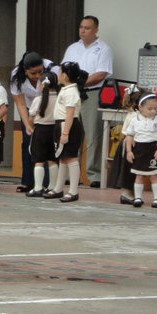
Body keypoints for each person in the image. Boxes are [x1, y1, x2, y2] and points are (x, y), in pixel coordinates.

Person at [62, 16, 113, 188]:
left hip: (91, 94)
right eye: (81, 27)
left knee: (93, 135)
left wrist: (80, 83)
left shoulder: (103, 49)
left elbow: (101, 73)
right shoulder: (72, 48)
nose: (83, 31)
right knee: (71, 132)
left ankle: (94, 175)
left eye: (88, 28)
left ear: (96, 29)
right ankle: (70, 173)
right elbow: (63, 70)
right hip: (71, 94)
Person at [44, 62, 89, 203]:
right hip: (61, 124)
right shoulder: (65, 89)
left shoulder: (71, 92)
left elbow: (70, 114)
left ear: (64, 75)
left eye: (59, 73)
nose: (58, 75)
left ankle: (74, 191)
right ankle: (58, 188)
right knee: (63, 157)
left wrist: (65, 133)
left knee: (71, 157)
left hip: (67, 125)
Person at [10, 53, 56, 192]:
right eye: (33, 73)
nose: (37, 76)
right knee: (28, 143)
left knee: (48, 148)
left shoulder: (53, 69)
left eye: (40, 72)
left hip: (50, 110)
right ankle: (28, 182)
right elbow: (20, 103)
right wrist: (27, 124)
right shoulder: (15, 76)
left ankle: (48, 184)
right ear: (25, 71)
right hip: (30, 110)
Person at [125, 92, 157, 208]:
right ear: (140, 107)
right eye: (150, 108)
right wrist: (129, 151)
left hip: (152, 149)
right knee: (139, 175)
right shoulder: (134, 120)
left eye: (155, 108)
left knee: (154, 175)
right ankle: (138, 198)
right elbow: (129, 136)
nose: (153, 111)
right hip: (139, 149)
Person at [25, 71, 59, 197]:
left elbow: (31, 118)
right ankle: (53, 187)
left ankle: (38, 187)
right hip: (55, 131)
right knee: (52, 160)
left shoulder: (38, 100)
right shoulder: (59, 98)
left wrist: (30, 127)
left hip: (40, 131)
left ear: (41, 85)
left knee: (38, 160)